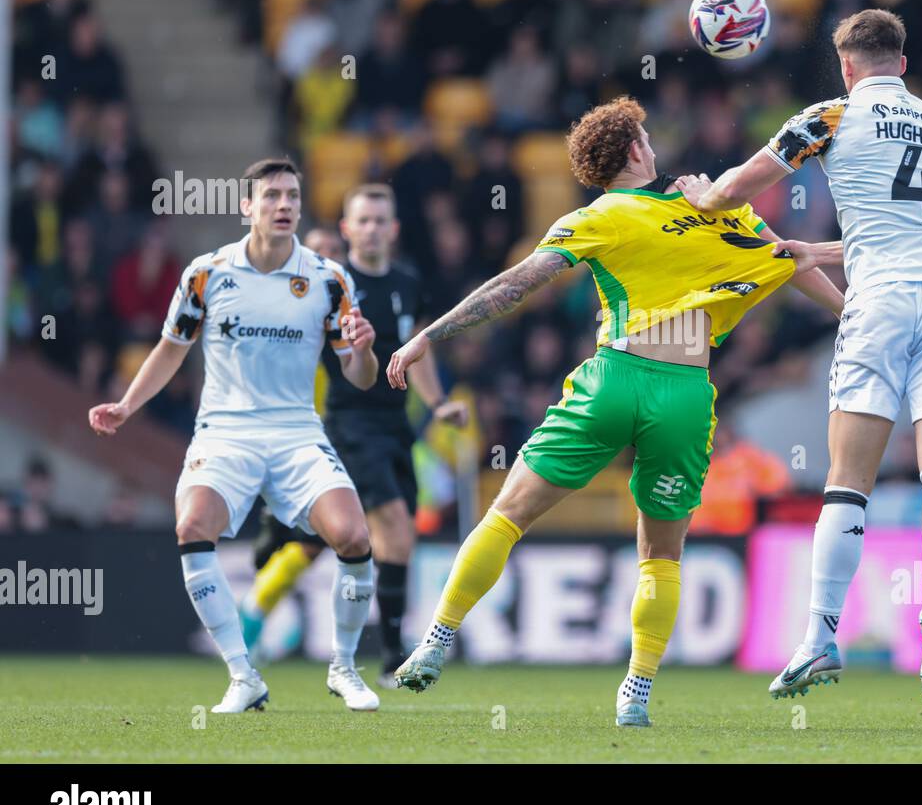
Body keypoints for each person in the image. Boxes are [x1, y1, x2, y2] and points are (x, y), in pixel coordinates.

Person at [386, 96, 843, 726]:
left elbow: (513, 285)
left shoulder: (599, 215)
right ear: (634, 150)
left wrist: (425, 338)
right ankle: (637, 692)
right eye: (647, 137)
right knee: (661, 554)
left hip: (615, 378)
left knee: (508, 515)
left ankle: (436, 642)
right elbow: (787, 258)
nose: (653, 145)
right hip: (685, 389)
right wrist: (849, 310)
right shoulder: (705, 203)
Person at [676, 8, 922, 704]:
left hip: (876, 302)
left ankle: (819, 637)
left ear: (847, 67)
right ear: (903, 63)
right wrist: (813, 252)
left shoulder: (830, 116)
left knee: (848, 481)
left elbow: (733, 191)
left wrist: (706, 193)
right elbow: (907, 230)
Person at [88, 158, 383, 713]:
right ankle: (243, 675)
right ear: (246, 206)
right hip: (225, 431)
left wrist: (365, 351)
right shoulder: (207, 273)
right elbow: (171, 349)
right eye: (271, 196)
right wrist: (128, 404)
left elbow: (359, 378)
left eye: (293, 196)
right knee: (193, 526)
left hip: (297, 431)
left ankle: (344, 668)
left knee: (353, 537)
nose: (284, 205)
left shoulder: (328, 278)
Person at [240, 188, 468, 683]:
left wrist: (437, 404)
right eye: (362, 220)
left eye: (380, 220)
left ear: (394, 228)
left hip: (395, 428)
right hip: (349, 423)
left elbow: (419, 352)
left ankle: (281, 527)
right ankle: (391, 658)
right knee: (393, 529)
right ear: (348, 229)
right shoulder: (332, 284)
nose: (371, 228)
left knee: (345, 541)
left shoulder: (409, 283)